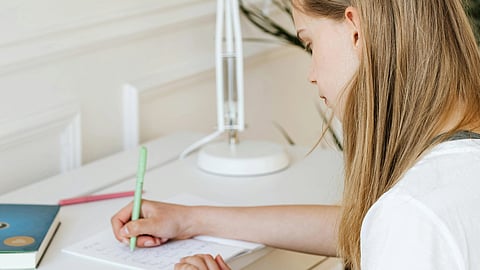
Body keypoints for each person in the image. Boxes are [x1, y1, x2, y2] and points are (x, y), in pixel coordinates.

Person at [111, 0, 480, 269]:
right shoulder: (442, 182)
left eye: (309, 43)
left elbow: (397, 225)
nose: (312, 73)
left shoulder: (411, 216)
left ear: (356, 31)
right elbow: (361, 226)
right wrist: (192, 219)